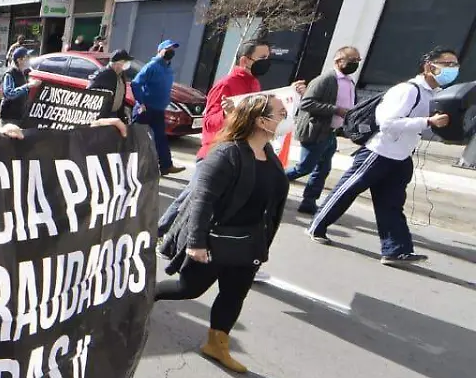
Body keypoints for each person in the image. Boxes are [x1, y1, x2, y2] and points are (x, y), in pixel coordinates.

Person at [157, 94, 290, 374]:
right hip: (217, 239)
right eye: (280, 113)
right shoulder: (226, 153)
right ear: (260, 120)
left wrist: (264, 241)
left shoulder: (269, 155)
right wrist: (196, 243)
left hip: (249, 243)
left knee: (234, 294)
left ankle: (216, 345)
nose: (284, 117)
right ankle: (141, 297)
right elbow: (202, 201)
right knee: (188, 289)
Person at [308, 47, 456, 265]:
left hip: (401, 156)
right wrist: (426, 122)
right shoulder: (408, 90)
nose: (452, 69)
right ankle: (317, 226)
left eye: (455, 65)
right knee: (347, 190)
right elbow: (386, 122)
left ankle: (396, 250)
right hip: (379, 152)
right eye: (447, 64)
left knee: (392, 204)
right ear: (428, 66)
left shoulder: (434, 94)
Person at [159, 40, 306, 239]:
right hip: (215, 153)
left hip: (239, 153)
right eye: (262, 58)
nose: (267, 62)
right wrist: (229, 114)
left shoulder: (254, 83)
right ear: (245, 60)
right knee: (192, 199)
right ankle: (163, 234)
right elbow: (209, 123)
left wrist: (290, 93)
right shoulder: (226, 85)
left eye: (268, 58)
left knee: (201, 200)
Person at [288, 46, 360, 214]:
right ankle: (269, 183)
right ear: (338, 61)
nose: (355, 64)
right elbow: (306, 103)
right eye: (352, 60)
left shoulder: (349, 81)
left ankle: (309, 202)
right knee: (304, 168)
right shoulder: (325, 80)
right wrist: (337, 110)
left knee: (322, 170)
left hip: (331, 132)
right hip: (316, 131)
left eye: (358, 61)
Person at [131, 40, 185, 175]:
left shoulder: (169, 69)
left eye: (173, 49)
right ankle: (127, 166)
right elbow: (135, 84)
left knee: (161, 138)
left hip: (159, 110)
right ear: (160, 50)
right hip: (145, 110)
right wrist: (141, 102)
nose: (171, 51)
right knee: (135, 138)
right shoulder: (152, 66)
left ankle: (166, 166)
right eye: (168, 49)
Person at [88, 49, 133, 123]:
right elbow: (89, 91)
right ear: (118, 63)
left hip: (115, 115)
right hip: (104, 116)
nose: (127, 64)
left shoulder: (121, 75)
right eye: (125, 62)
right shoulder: (103, 74)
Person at [0, 47, 36, 126]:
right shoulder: (10, 74)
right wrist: (28, 85)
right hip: (10, 117)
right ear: (19, 60)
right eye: (27, 57)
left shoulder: (27, 72)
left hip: (22, 116)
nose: (29, 59)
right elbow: (9, 93)